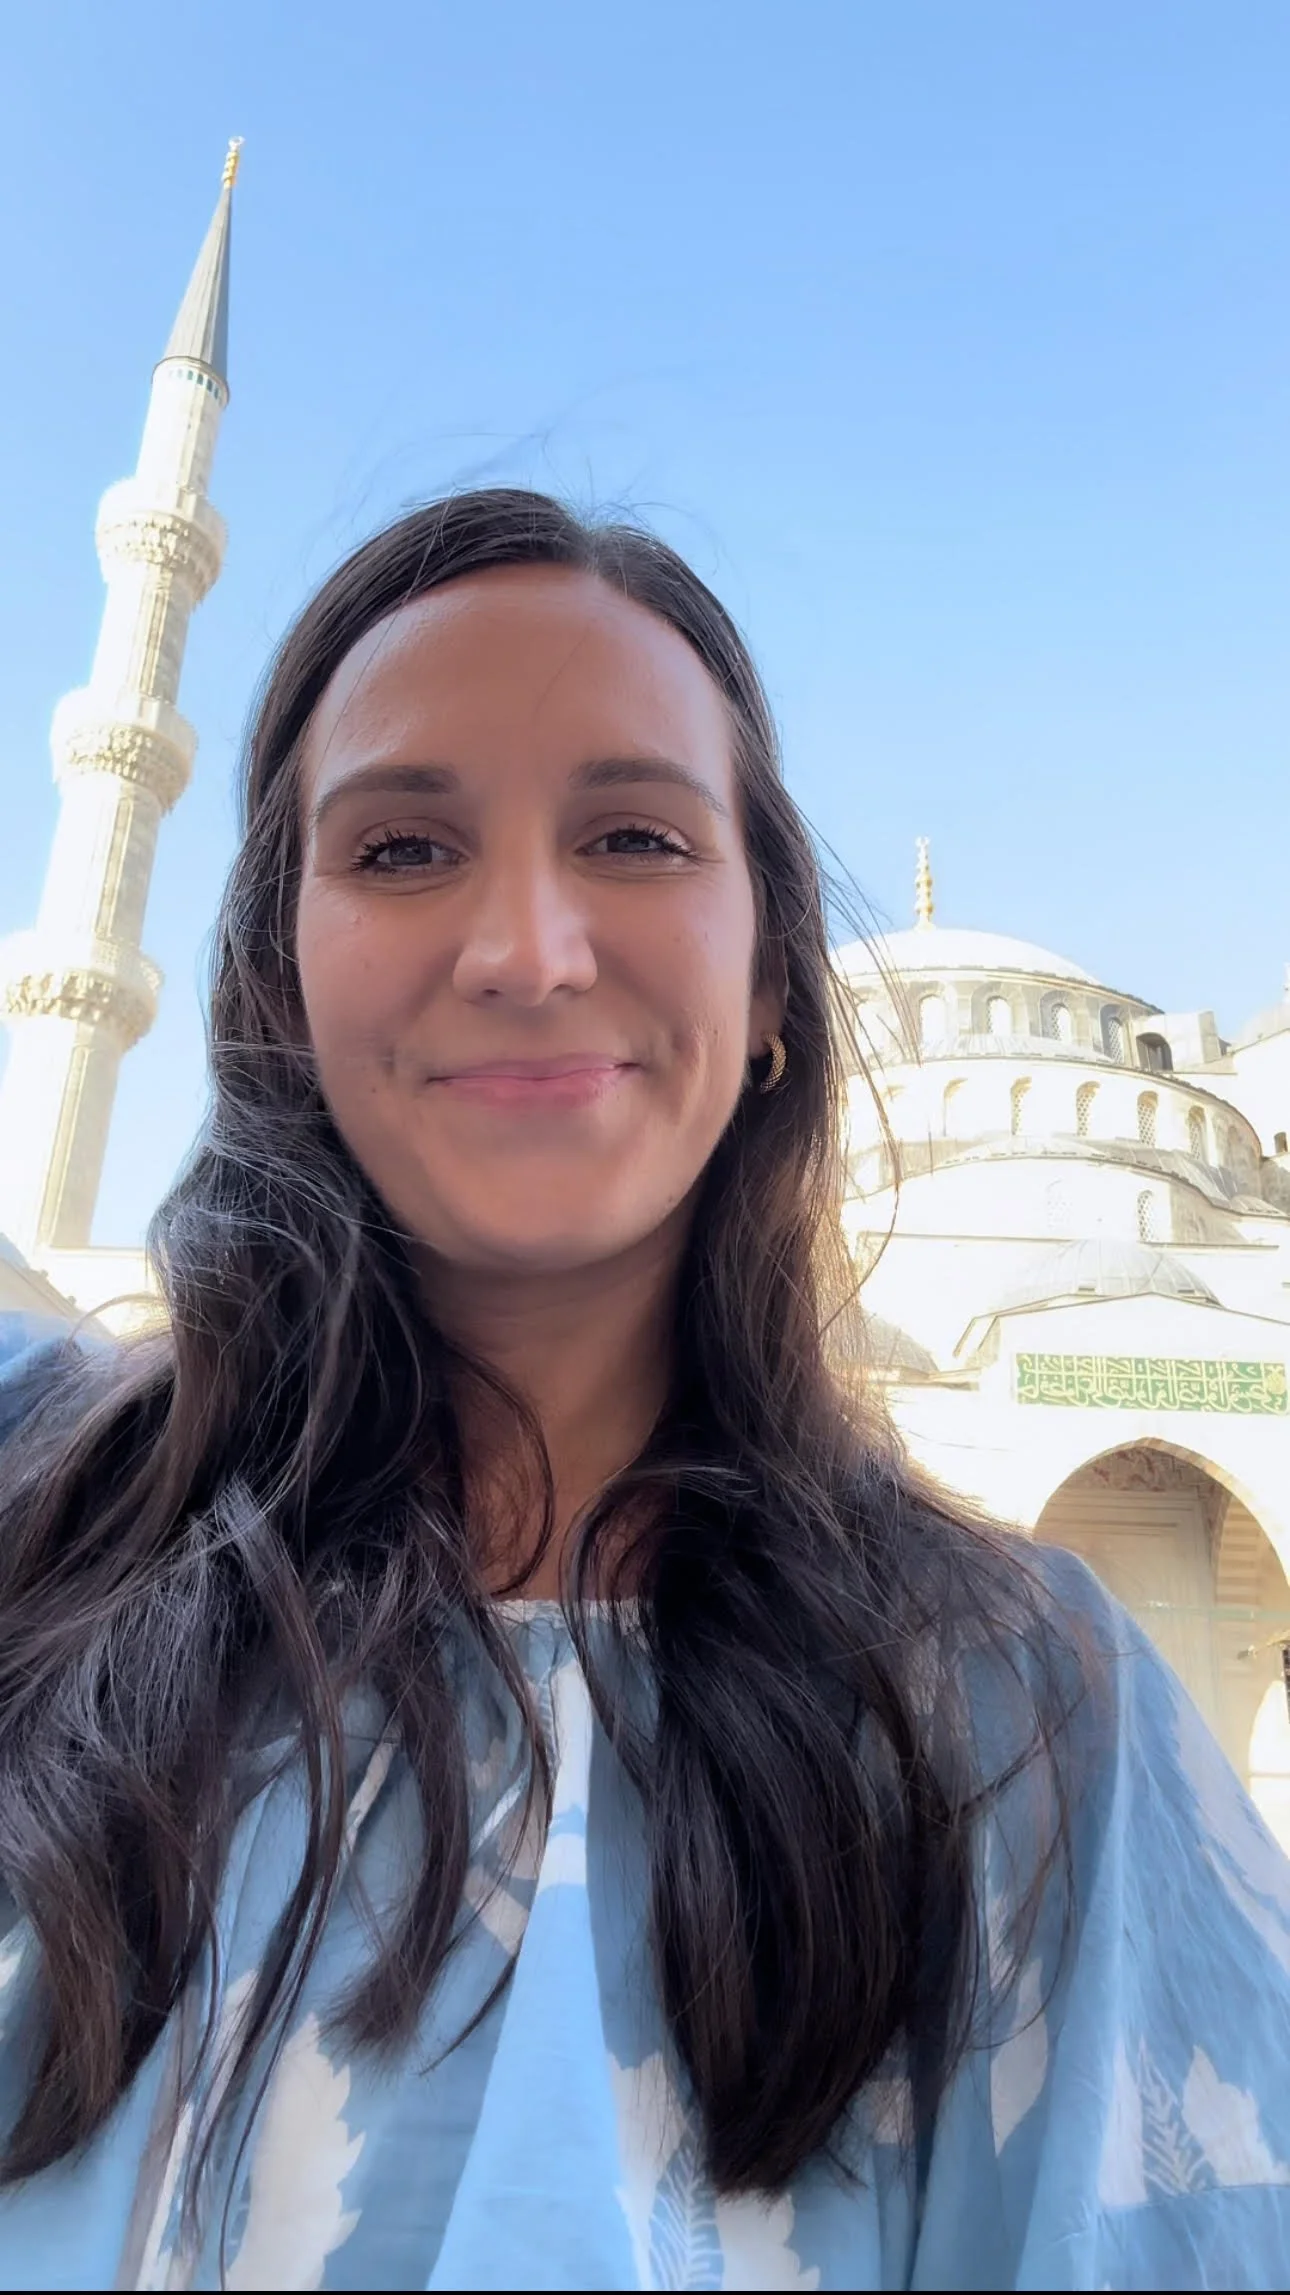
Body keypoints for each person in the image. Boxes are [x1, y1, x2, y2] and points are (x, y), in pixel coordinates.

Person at [0, 489, 1287, 2293]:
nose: (526, 947)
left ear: (773, 976)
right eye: (396, 849)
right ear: (275, 972)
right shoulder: (48, 1530)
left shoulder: (1022, 1721)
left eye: (629, 834)